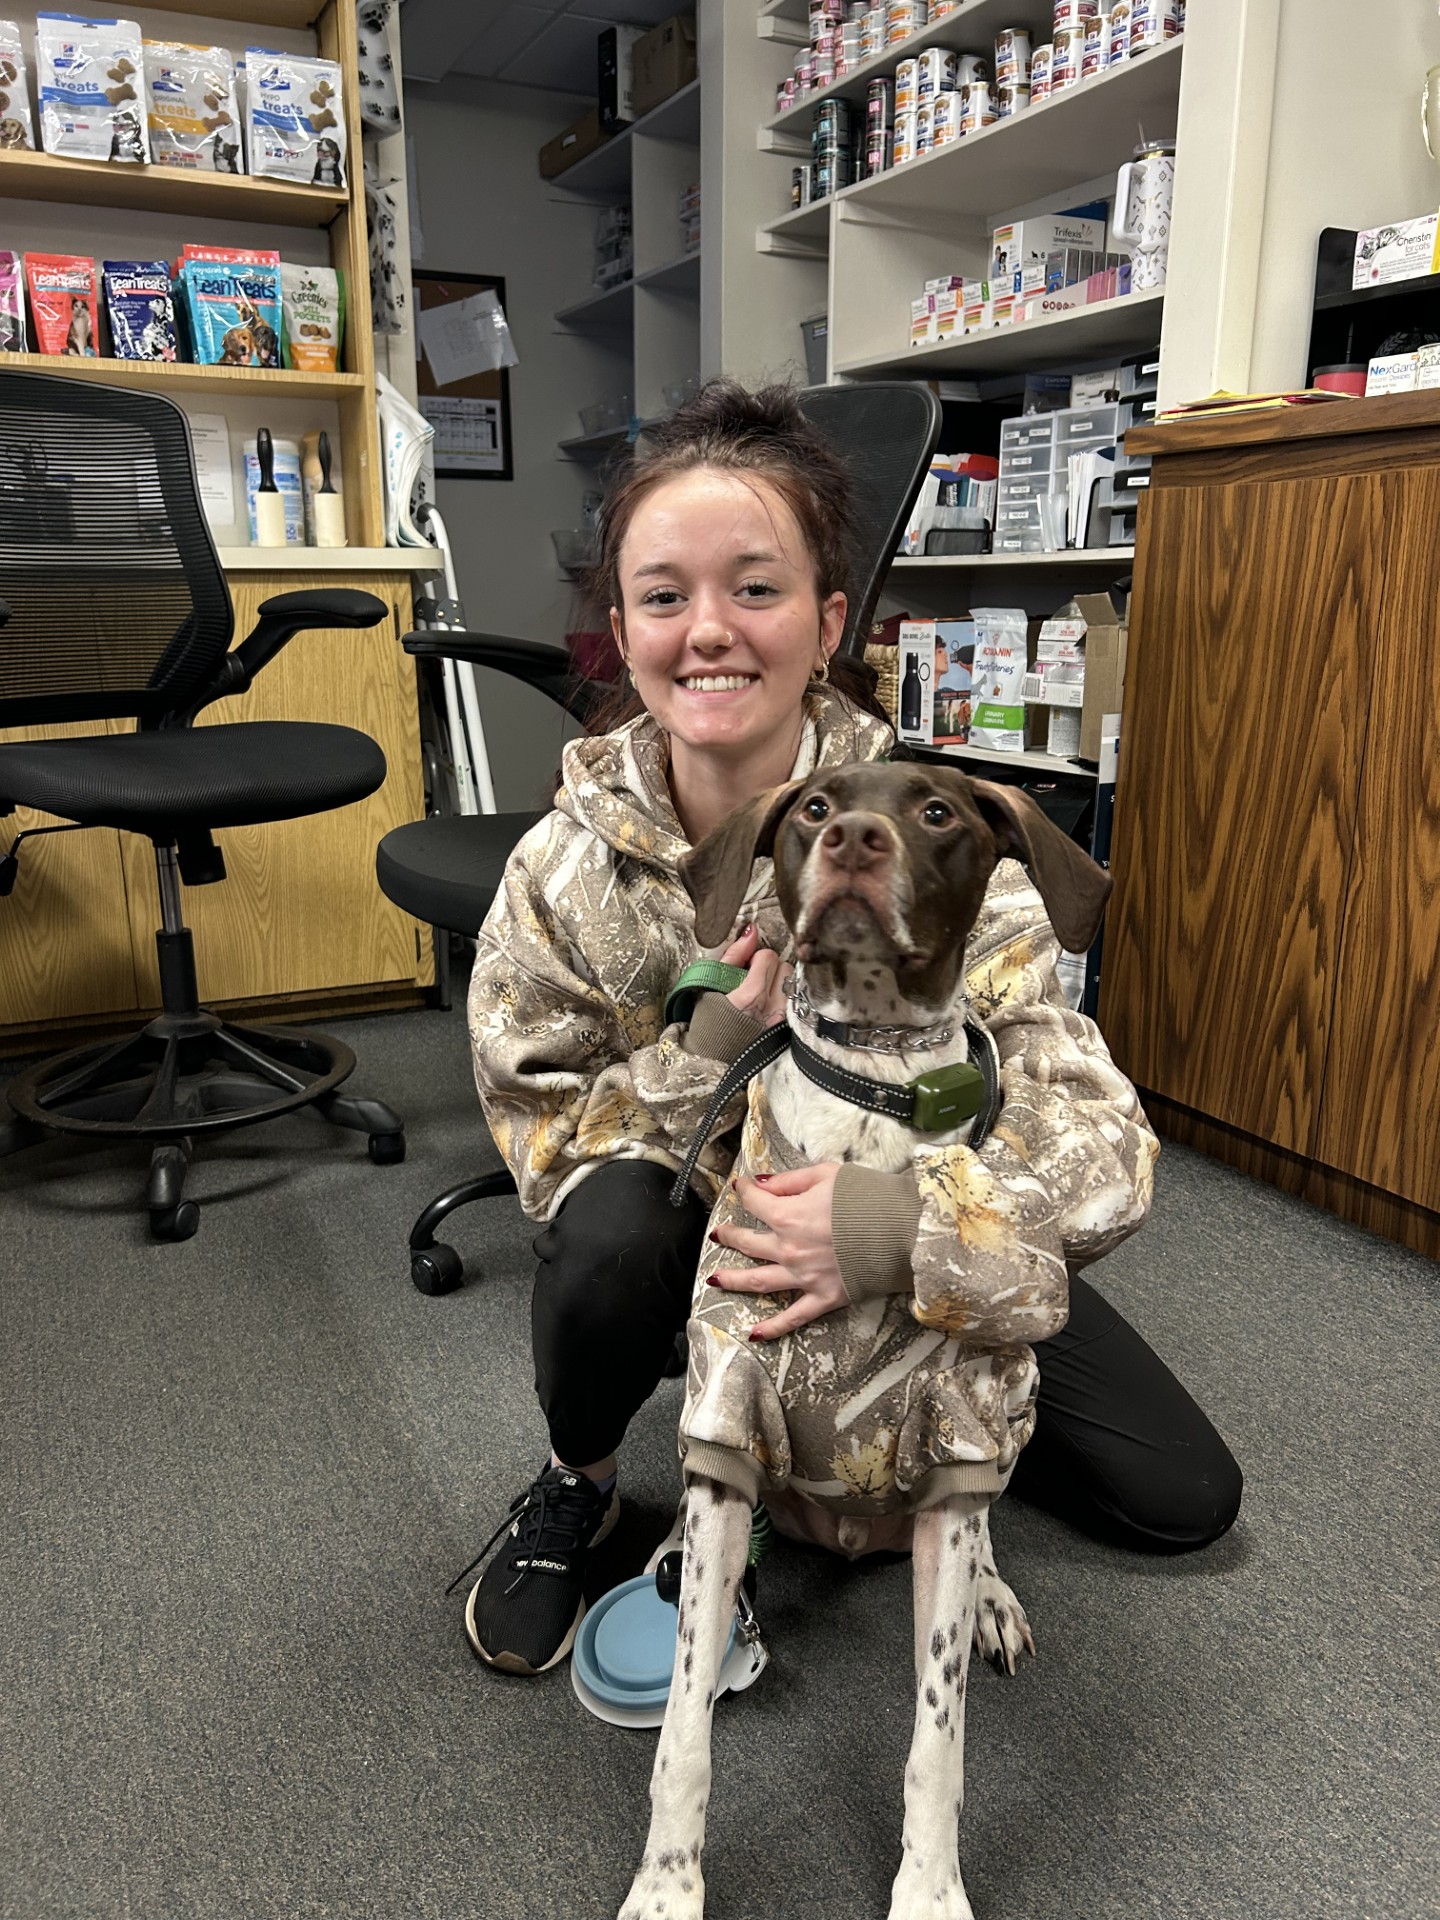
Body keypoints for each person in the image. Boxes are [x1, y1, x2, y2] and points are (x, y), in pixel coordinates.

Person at [459, 381, 1243, 1678]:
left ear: (828, 622)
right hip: (699, 1233)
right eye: (664, 596)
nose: (710, 630)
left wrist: (897, 1234)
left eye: (755, 589)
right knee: (606, 1240)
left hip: (914, 1208)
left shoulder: (937, 830)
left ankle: (918, 1447)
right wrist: (709, 1053)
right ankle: (582, 1479)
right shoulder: (563, 868)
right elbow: (547, 1148)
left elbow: (1101, 1143)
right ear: (623, 632)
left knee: (1180, 1494)